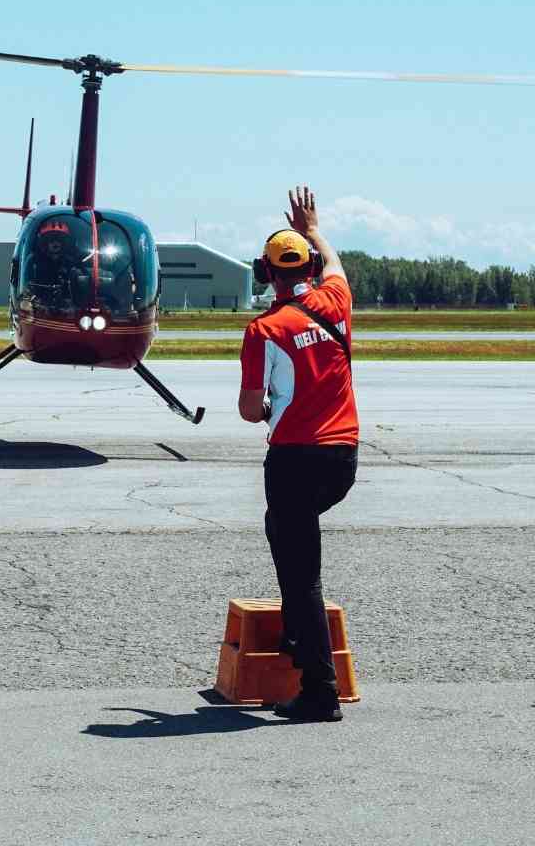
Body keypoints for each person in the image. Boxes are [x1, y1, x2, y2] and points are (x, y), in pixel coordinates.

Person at [238, 186, 358, 722]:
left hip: (293, 460)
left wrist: (269, 408)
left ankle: (319, 691)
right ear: (307, 264)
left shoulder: (264, 329)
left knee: (299, 573)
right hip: (343, 460)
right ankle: (297, 634)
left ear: (266, 274)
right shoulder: (337, 302)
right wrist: (314, 226)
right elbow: (334, 261)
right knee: (282, 531)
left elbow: (248, 409)